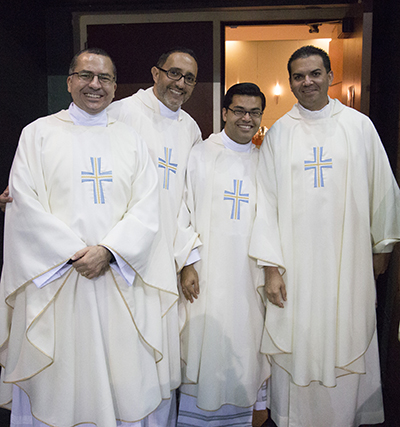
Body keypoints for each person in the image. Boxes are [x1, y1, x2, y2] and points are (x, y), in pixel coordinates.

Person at [0, 48, 202, 423]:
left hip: (118, 281)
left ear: (114, 86)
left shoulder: (130, 139)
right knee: (61, 377)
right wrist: (76, 255)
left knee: (120, 374)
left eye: (104, 78)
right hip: (59, 282)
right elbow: (24, 202)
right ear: (69, 81)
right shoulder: (39, 133)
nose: (95, 85)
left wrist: (108, 251)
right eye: (86, 76)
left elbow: (148, 205)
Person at [249, 45, 400, 427]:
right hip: (294, 265)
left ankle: (342, 417)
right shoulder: (280, 133)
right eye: (298, 76)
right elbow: (264, 203)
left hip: (347, 260)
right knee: (298, 334)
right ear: (291, 82)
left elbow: (383, 187)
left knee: (346, 328)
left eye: (315, 73)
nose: (307, 82)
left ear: (331, 76)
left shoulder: (359, 126)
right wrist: (270, 268)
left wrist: (382, 244)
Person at [107, 47, 202, 422]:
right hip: (124, 255)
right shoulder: (121, 112)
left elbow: (187, 201)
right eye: (174, 73)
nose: (180, 84)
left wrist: (187, 259)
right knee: (125, 345)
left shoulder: (190, 127)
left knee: (159, 345)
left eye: (189, 78)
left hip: (165, 255)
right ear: (155, 72)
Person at [174, 83, 270, 427]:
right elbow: (182, 210)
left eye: (254, 112)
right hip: (206, 273)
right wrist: (188, 262)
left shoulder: (264, 160)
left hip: (248, 275)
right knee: (203, 340)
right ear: (225, 112)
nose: (247, 118)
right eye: (240, 111)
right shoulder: (202, 154)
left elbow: (272, 218)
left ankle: (243, 415)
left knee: (247, 342)